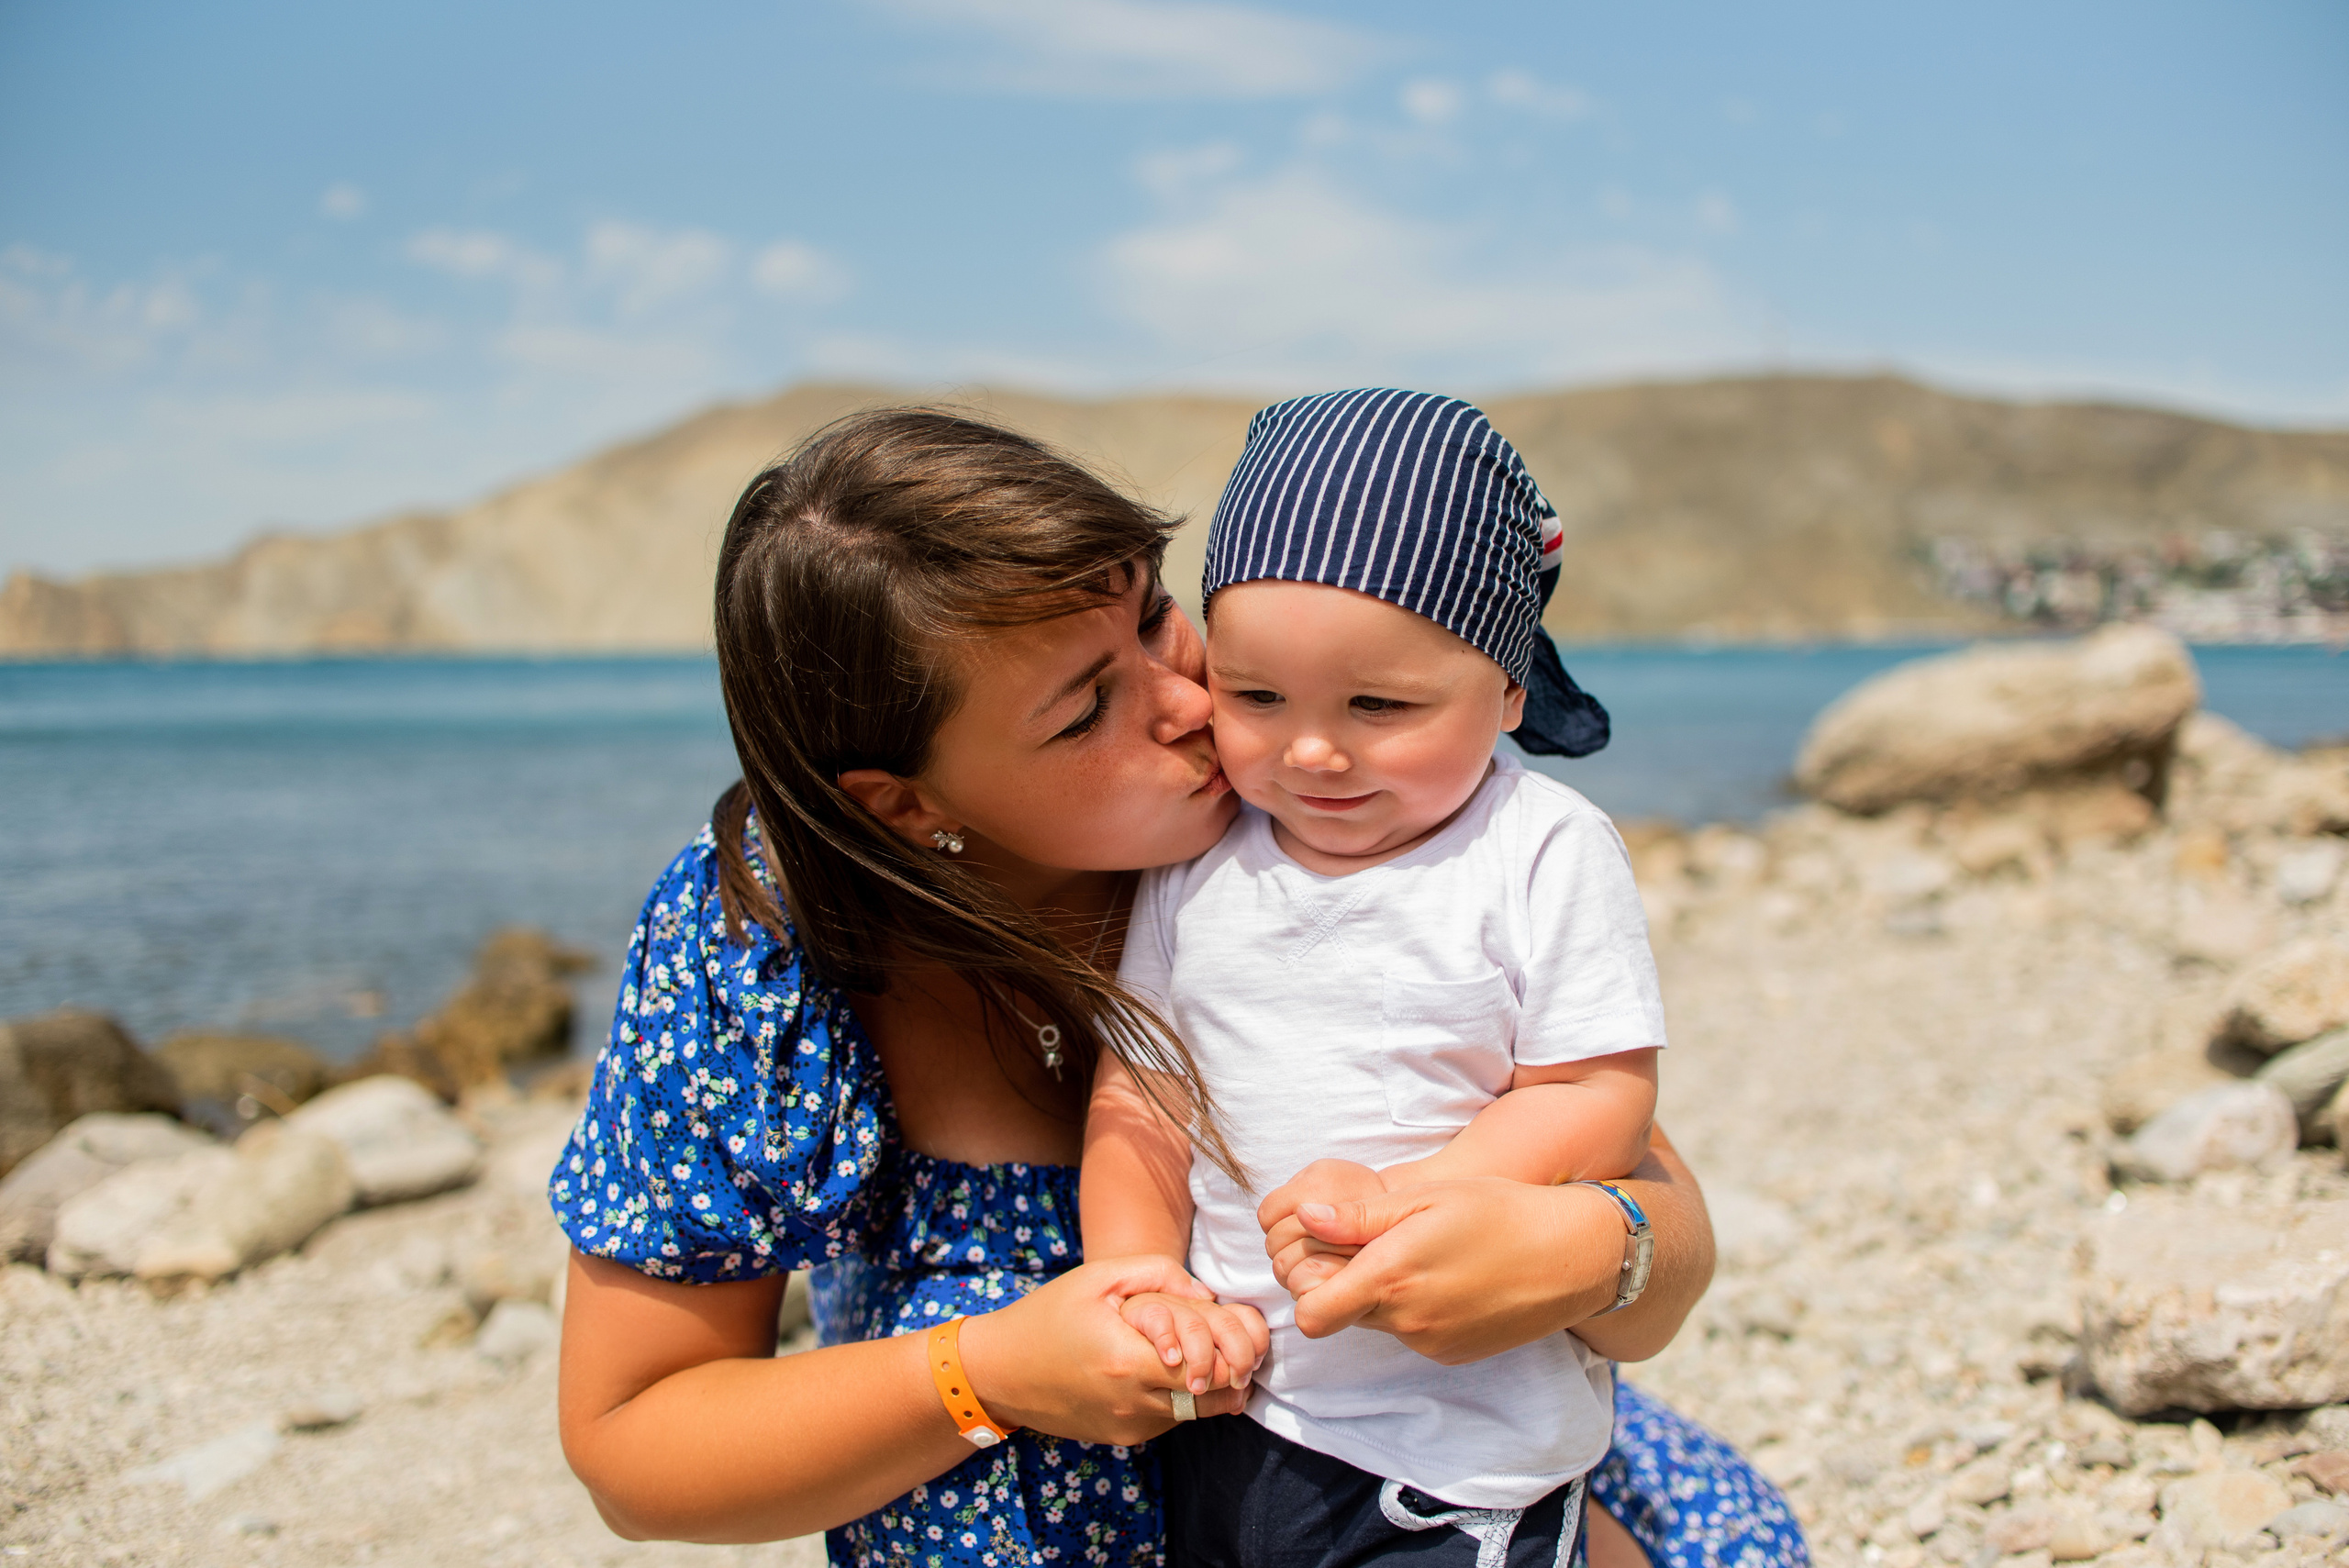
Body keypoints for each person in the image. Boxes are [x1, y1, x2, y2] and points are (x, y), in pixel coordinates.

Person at [548, 406, 1806, 1568]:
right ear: (907, 805)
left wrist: (1589, 1249)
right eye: (1087, 709)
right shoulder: (766, 944)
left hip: (1442, 1494)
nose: (1197, 703)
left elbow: (1655, 1223)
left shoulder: (1309, 820)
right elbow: (636, 1447)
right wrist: (984, 1374)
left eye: (1155, 616)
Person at [1085, 389, 1666, 1566]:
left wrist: (1412, 1202)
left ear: (1506, 691)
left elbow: (1597, 1095)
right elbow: (1140, 1088)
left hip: (1453, 1446)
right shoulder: (1204, 862)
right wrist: (1132, 1268)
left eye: (1377, 705)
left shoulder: (1537, 848)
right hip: (1233, 1407)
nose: (1310, 748)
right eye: (1255, 697)